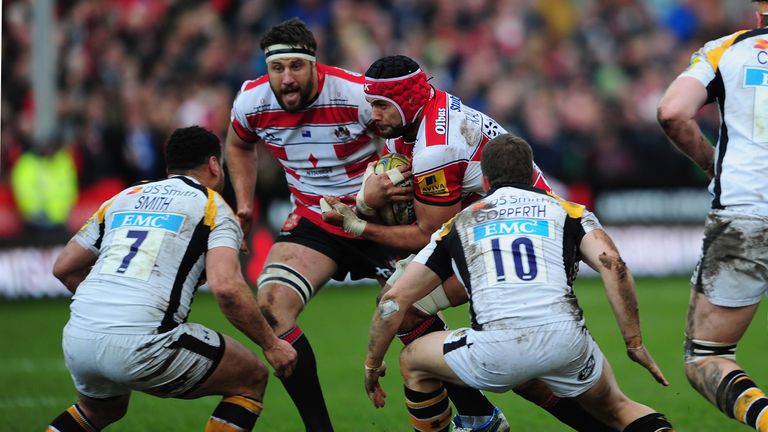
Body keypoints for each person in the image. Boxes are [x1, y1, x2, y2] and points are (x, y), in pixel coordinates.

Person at [224, 18, 505, 431]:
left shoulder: (358, 94)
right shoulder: (251, 101)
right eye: (277, 68)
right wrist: (244, 204)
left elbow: (409, 135)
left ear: (314, 65)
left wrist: (376, 192)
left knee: (404, 311)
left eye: (296, 67)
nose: (286, 78)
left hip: (379, 215)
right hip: (314, 219)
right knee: (271, 308)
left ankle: (477, 413)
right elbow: (238, 143)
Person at [322, 54, 612, 431]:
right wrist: (362, 203)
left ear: (406, 99)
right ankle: (599, 425)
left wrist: (357, 225)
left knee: (403, 307)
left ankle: (481, 417)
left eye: (380, 104)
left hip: (525, 238)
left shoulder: (436, 148)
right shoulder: (427, 116)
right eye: (370, 103)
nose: (372, 114)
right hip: (526, 233)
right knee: (520, 368)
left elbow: (430, 236)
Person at [362, 133, 674, 432]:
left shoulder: (459, 224)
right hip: (565, 343)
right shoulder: (569, 211)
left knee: (413, 360)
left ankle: (477, 418)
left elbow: (393, 301)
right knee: (619, 409)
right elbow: (614, 266)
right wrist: (634, 343)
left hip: (494, 352)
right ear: (531, 173)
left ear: (485, 180)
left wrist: (373, 363)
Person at [46, 126, 297, 432]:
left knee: (99, 411)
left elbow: (63, 267)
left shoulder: (124, 197)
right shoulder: (211, 206)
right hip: (144, 339)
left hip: (79, 336)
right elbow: (227, 289)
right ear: (215, 165)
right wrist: (271, 345)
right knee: (251, 378)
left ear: (169, 167)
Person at [657, 2, 768, 431]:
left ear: (758, 13)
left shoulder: (726, 50)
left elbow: (672, 112)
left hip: (745, 211)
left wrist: (711, 163)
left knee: (708, 357)